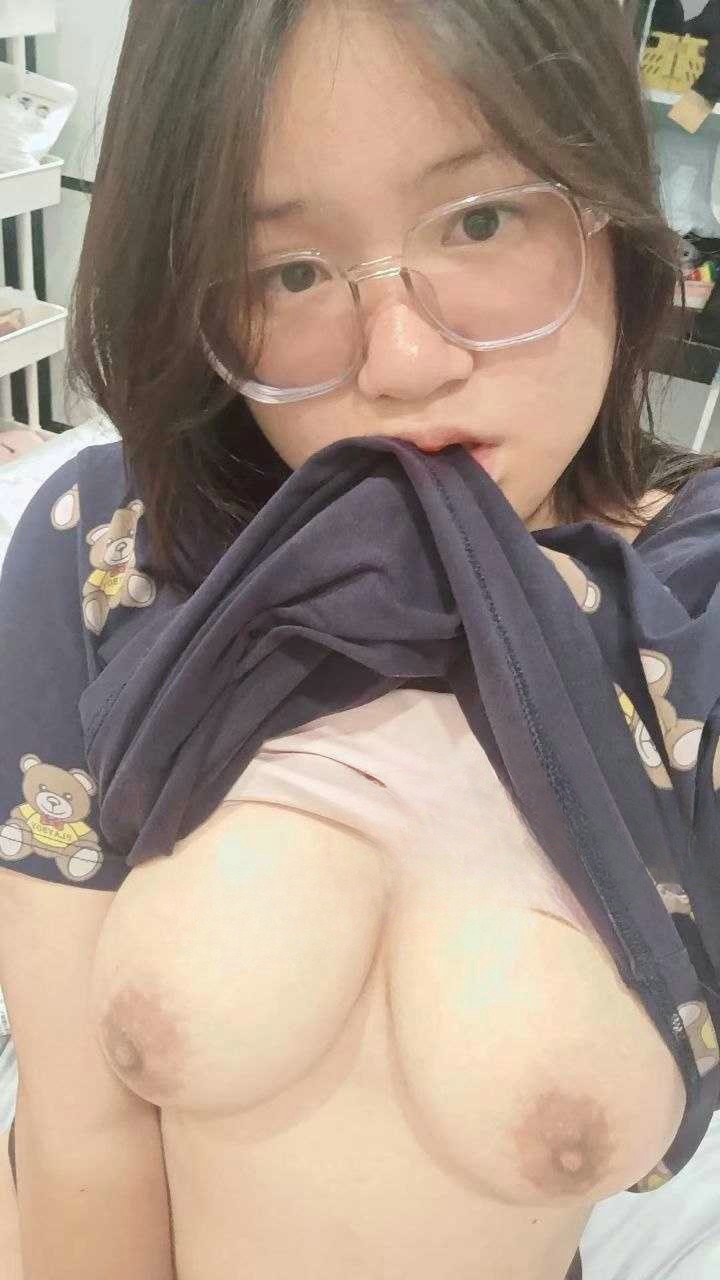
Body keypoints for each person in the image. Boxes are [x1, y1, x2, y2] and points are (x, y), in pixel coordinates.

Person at [1, 0, 719, 1277]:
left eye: (481, 220)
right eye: (290, 273)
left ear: (610, 213)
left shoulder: (694, 603)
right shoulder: (108, 549)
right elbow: (78, 1147)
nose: (402, 361)